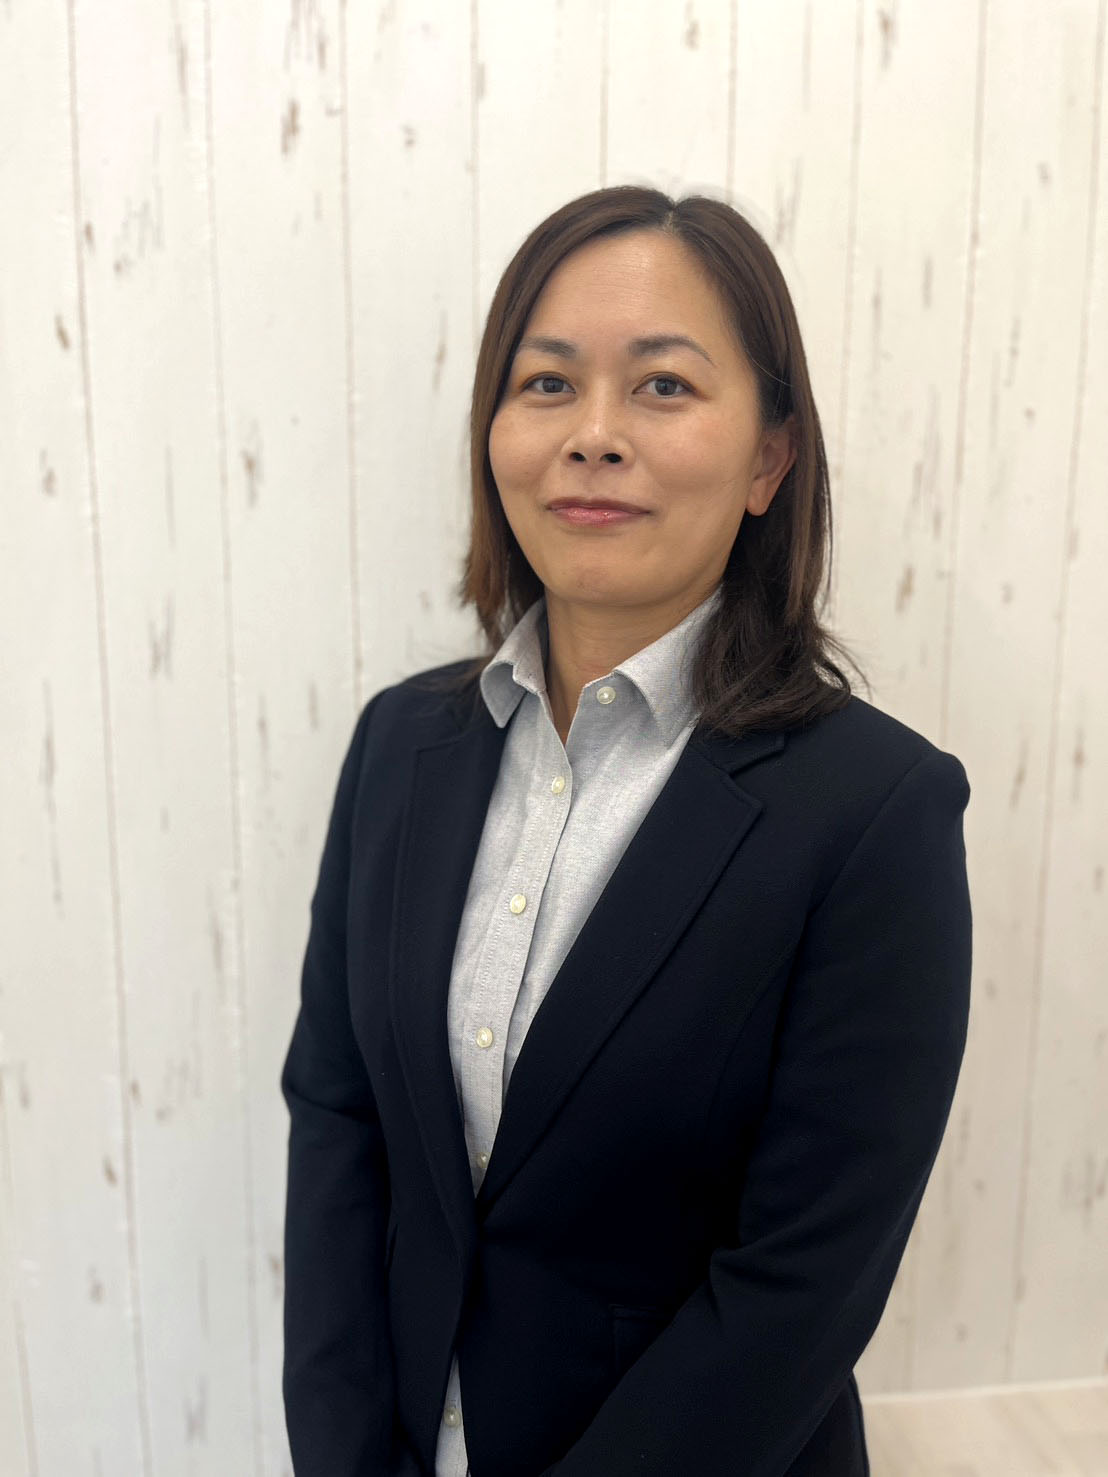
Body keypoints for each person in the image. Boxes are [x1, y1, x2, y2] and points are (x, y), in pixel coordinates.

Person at [280, 184, 972, 1477]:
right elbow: (339, 1122)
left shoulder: (876, 811)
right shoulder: (399, 747)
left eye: (663, 386)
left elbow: (801, 1280)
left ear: (769, 460)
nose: (593, 436)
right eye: (547, 384)